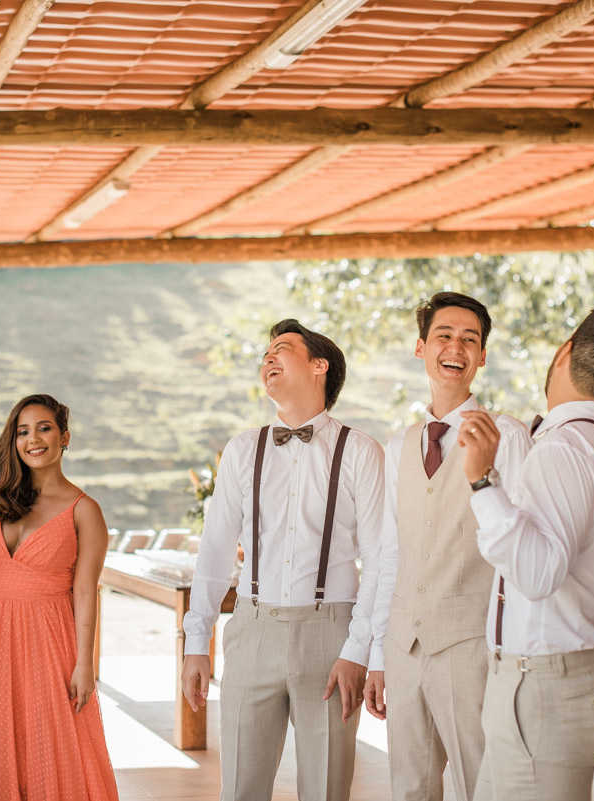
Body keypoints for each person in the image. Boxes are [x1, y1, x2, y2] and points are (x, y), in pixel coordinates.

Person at [181, 319, 384, 801]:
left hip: (331, 634)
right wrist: (196, 641)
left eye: (283, 349)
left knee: (326, 789)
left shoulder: (360, 451)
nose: (268, 359)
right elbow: (213, 551)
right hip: (252, 630)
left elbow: (381, 559)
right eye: (266, 353)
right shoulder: (240, 450)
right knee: (241, 789)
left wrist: (359, 650)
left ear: (320, 366)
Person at [458, 299, 594, 801]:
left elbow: (537, 574)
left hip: (544, 689)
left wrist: (481, 480)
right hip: (568, 675)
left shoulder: (565, 448)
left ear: (565, 352)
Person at [363, 291, 531, 801]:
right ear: (421, 347)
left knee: (484, 785)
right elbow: (391, 554)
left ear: (482, 357)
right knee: (409, 789)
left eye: (469, 339)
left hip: (473, 647)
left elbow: (522, 550)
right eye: (444, 335)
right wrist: (377, 653)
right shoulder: (399, 445)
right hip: (404, 648)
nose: (455, 347)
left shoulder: (509, 436)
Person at [0, 394, 118, 800]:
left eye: (44, 428)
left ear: (64, 437)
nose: (33, 439)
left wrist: (85, 665)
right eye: (23, 431)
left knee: (49, 744)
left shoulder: (83, 509)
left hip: (49, 639)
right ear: (13, 440)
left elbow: (87, 591)